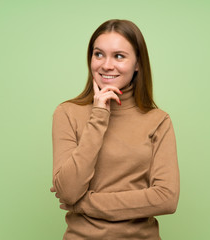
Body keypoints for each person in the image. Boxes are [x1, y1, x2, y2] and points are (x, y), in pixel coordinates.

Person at [50, 19, 180, 240]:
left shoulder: (158, 120)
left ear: (137, 63)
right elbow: (69, 190)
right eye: (98, 54)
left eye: (119, 56)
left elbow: (166, 198)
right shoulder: (67, 113)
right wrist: (99, 116)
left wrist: (85, 203)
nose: (106, 65)